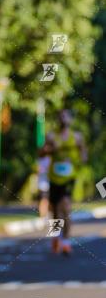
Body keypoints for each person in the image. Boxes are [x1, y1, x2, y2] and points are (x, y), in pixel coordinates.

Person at [39, 109, 86, 255]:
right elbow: (41, 153)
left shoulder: (77, 137)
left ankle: (65, 242)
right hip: (54, 178)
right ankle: (56, 238)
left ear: (70, 120)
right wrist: (51, 149)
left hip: (69, 177)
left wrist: (79, 159)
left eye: (66, 116)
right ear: (58, 120)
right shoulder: (52, 136)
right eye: (60, 117)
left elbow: (84, 154)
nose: (63, 119)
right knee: (55, 211)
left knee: (66, 206)